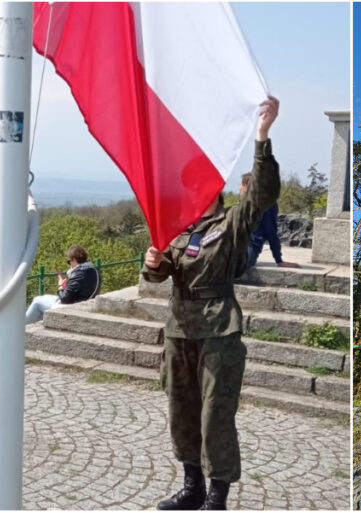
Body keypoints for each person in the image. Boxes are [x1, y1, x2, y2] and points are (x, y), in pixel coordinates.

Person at [143, 96, 282, 511]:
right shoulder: (179, 228)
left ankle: (216, 497)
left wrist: (262, 137)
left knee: (214, 416)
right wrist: (151, 262)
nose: (192, 190)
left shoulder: (232, 224)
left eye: (198, 184)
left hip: (219, 330)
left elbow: (262, 194)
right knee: (181, 411)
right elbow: (159, 271)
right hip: (179, 330)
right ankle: (192, 488)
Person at [24, 244, 101, 324]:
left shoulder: (79, 274)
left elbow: (64, 299)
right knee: (42, 297)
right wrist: (67, 285)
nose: (69, 264)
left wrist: (61, 285)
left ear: (74, 260)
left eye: (69, 261)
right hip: (84, 304)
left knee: (37, 301)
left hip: (72, 308)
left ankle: (21, 328)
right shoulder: (93, 270)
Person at [240, 173, 300, 271]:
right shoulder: (242, 204)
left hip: (251, 245)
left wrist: (279, 260)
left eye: (242, 185)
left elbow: (271, 232)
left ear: (248, 186)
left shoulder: (267, 205)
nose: (240, 188)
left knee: (238, 265)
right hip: (236, 244)